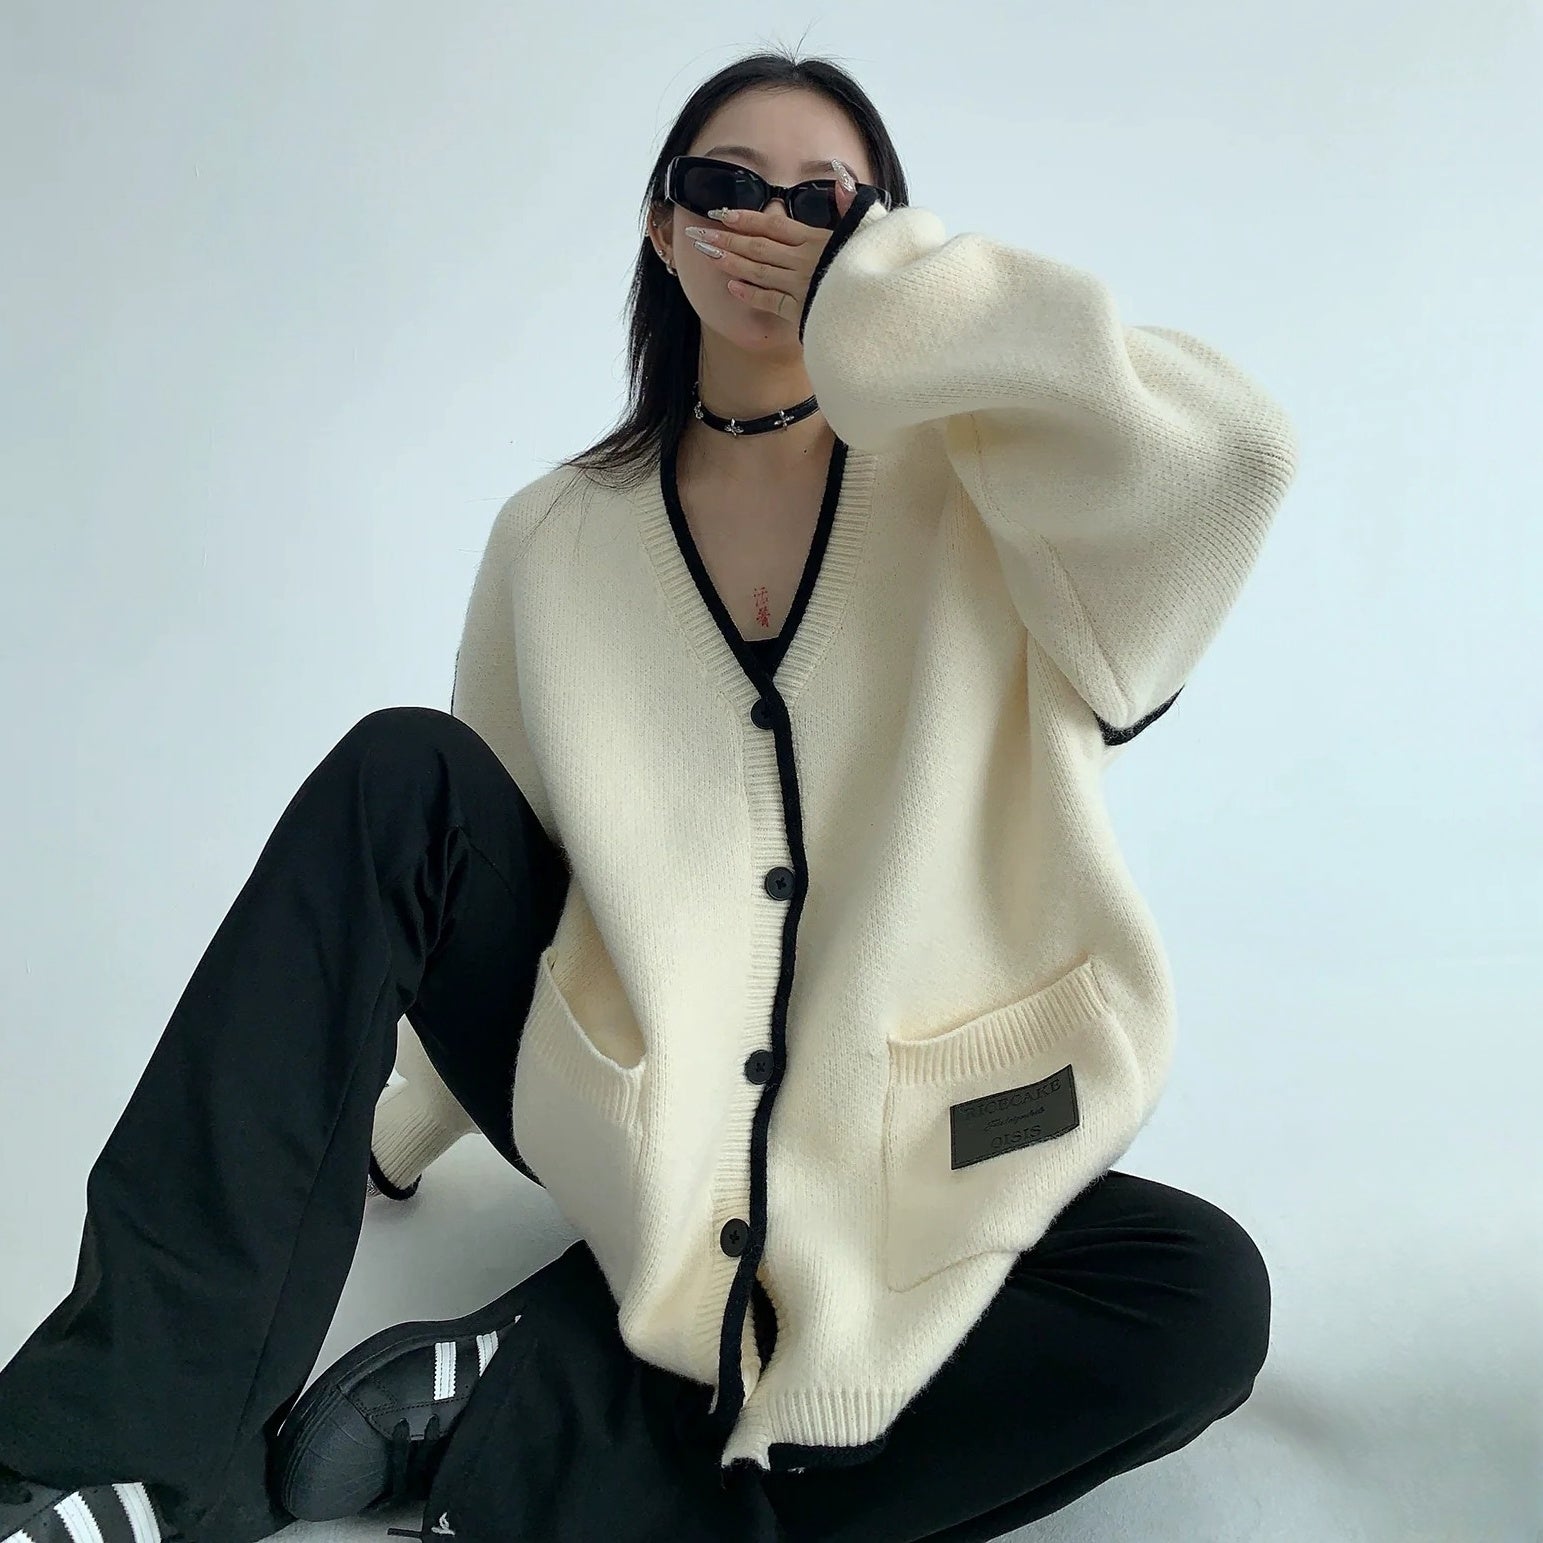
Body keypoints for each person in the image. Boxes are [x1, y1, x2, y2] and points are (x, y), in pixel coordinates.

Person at [0, 44, 1299, 1543]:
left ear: (890, 237)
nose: (772, 223)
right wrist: (401, 1128)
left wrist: (899, 305)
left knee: (1200, 1298)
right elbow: (486, 849)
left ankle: (524, 1407)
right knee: (400, 767)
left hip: (902, 1138)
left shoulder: (1002, 493)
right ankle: (121, 1456)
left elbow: (1234, 460)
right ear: (661, 226)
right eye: (726, 185)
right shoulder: (554, 535)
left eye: (826, 201)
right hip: (636, 1097)